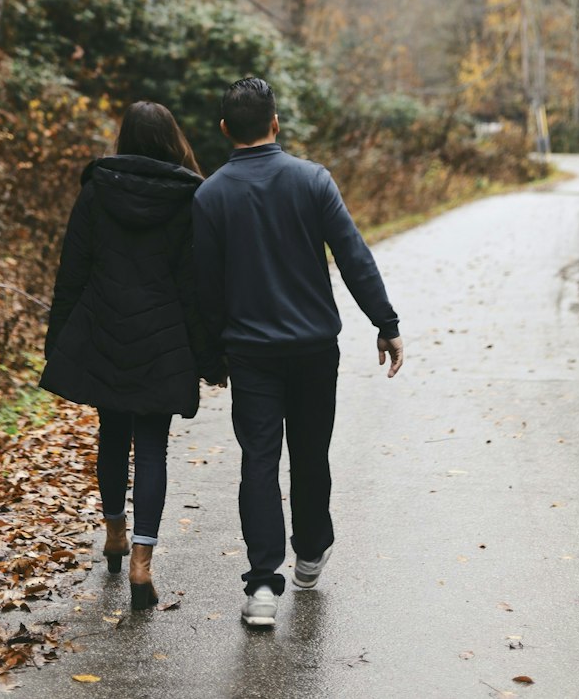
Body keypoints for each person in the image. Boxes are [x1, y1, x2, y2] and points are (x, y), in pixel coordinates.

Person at [193, 76, 404, 628]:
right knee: (311, 453)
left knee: (259, 461)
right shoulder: (313, 181)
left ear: (223, 130)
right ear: (276, 121)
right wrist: (385, 322)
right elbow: (354, 256)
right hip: (313, 349)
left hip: (251, 354)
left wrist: (212, 358)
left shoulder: (210, 195)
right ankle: (309, 554)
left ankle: (263, 585)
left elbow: (204, 290)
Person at [40, 101, 223, 610]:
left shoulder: (97, 191)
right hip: (163, 339)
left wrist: (57, 341)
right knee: (154, 446)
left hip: (104, 331)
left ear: (124, 137)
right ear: (172, 139)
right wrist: (209, 357)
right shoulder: (191, 198)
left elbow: (71, 271)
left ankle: (115, 535)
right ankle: (142, 563)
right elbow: (195, 287)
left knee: (113, 434)